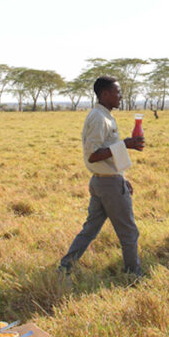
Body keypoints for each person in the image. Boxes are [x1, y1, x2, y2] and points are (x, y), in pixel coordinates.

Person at [59, 77, 145, 277]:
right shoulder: (99, 118)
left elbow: (106, 153)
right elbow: (93, 154)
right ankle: (133, 275)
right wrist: (125, 144)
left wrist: (122, 177)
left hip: (103, 181)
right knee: (129, 232)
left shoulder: (104, 116)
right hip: (108, 185)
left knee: (90, 230)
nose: (120, 96)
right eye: (117, 92)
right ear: (105, 94)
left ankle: (65, 267)